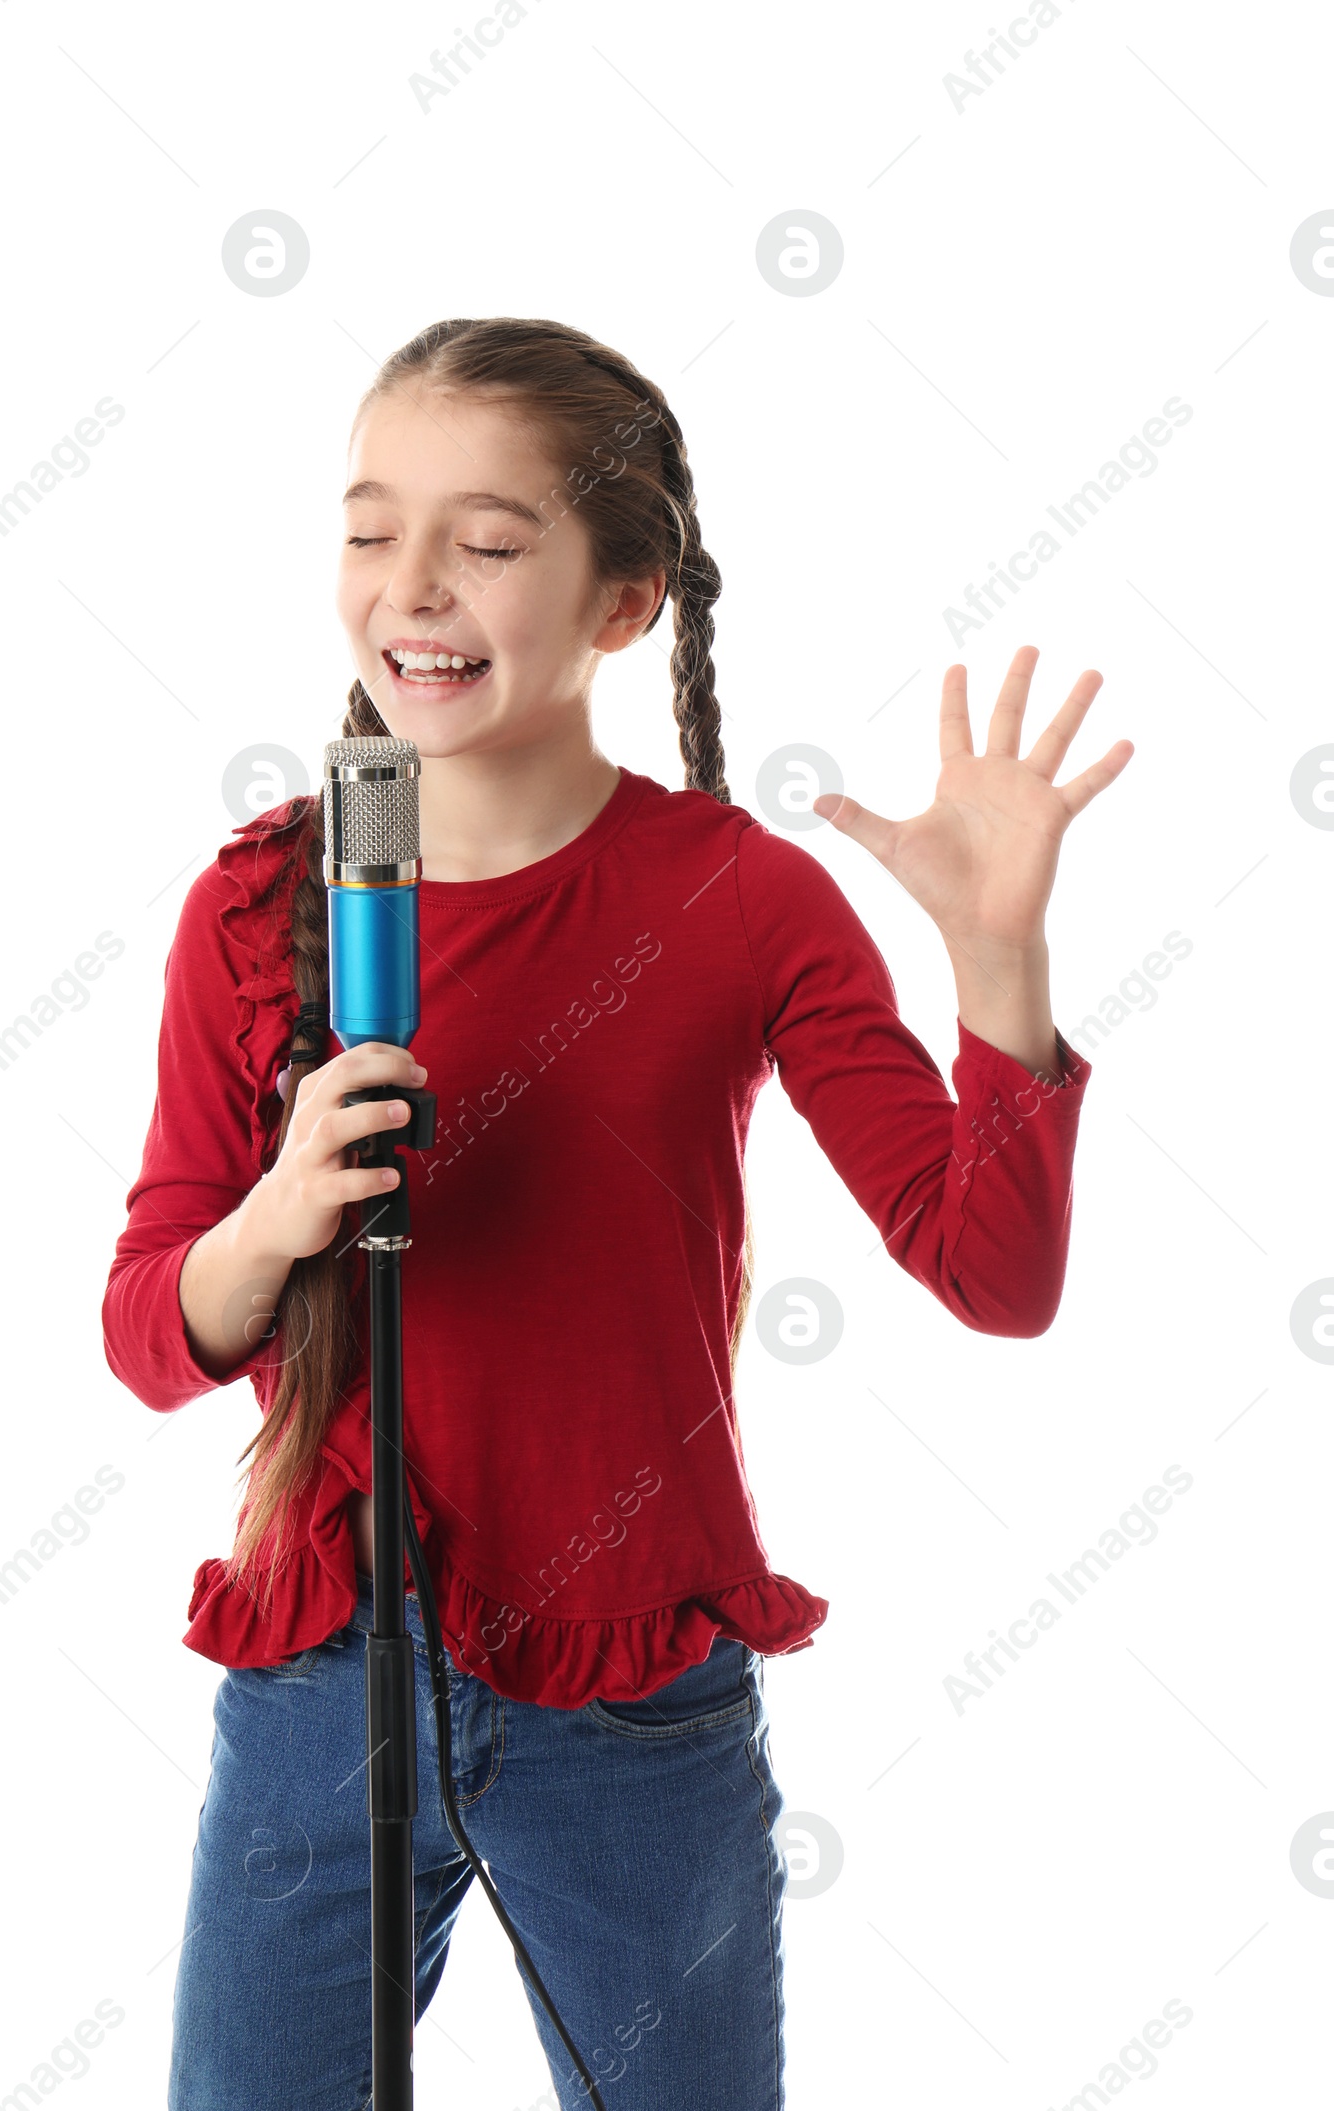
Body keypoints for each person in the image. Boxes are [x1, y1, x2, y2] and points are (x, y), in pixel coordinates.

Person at [101, 316, 1128, 2111]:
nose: (411, 585)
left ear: (625, 600)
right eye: (369, 529)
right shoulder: (259, 901)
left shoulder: (739, 897)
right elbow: (147, 1335)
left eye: (488, 543)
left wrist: (998, 964)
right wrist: (279, 1214)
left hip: (630, 1699)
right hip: (318, 1683)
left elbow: (994, 1271)